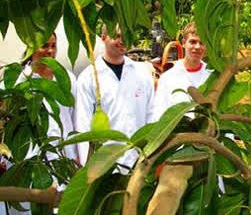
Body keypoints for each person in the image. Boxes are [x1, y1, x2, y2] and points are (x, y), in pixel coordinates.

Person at [1, 33, 78, 215]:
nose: (50, 51)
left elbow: (74, 119)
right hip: (27, 164)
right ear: (31, 48)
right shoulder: (15, 82)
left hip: (60, 160)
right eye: (44, 45)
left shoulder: (66, 79)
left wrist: (75, 156)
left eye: (54, 46)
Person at [74, 25, 154, 170]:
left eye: (125, 36)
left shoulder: (142, 74)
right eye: (116, 36)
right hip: (106, 165)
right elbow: (83, 124)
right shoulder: (89, 77)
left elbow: (151, 116)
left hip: (139, 161)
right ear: (103, 37)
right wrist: (89, 168)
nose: (121, 41)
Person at [150, 22, 212, 122]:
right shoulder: (168, 78)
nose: (197, 47)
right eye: (193, 42)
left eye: (202, 43)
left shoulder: (212, 76)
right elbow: (158, 116)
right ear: (183, 43)